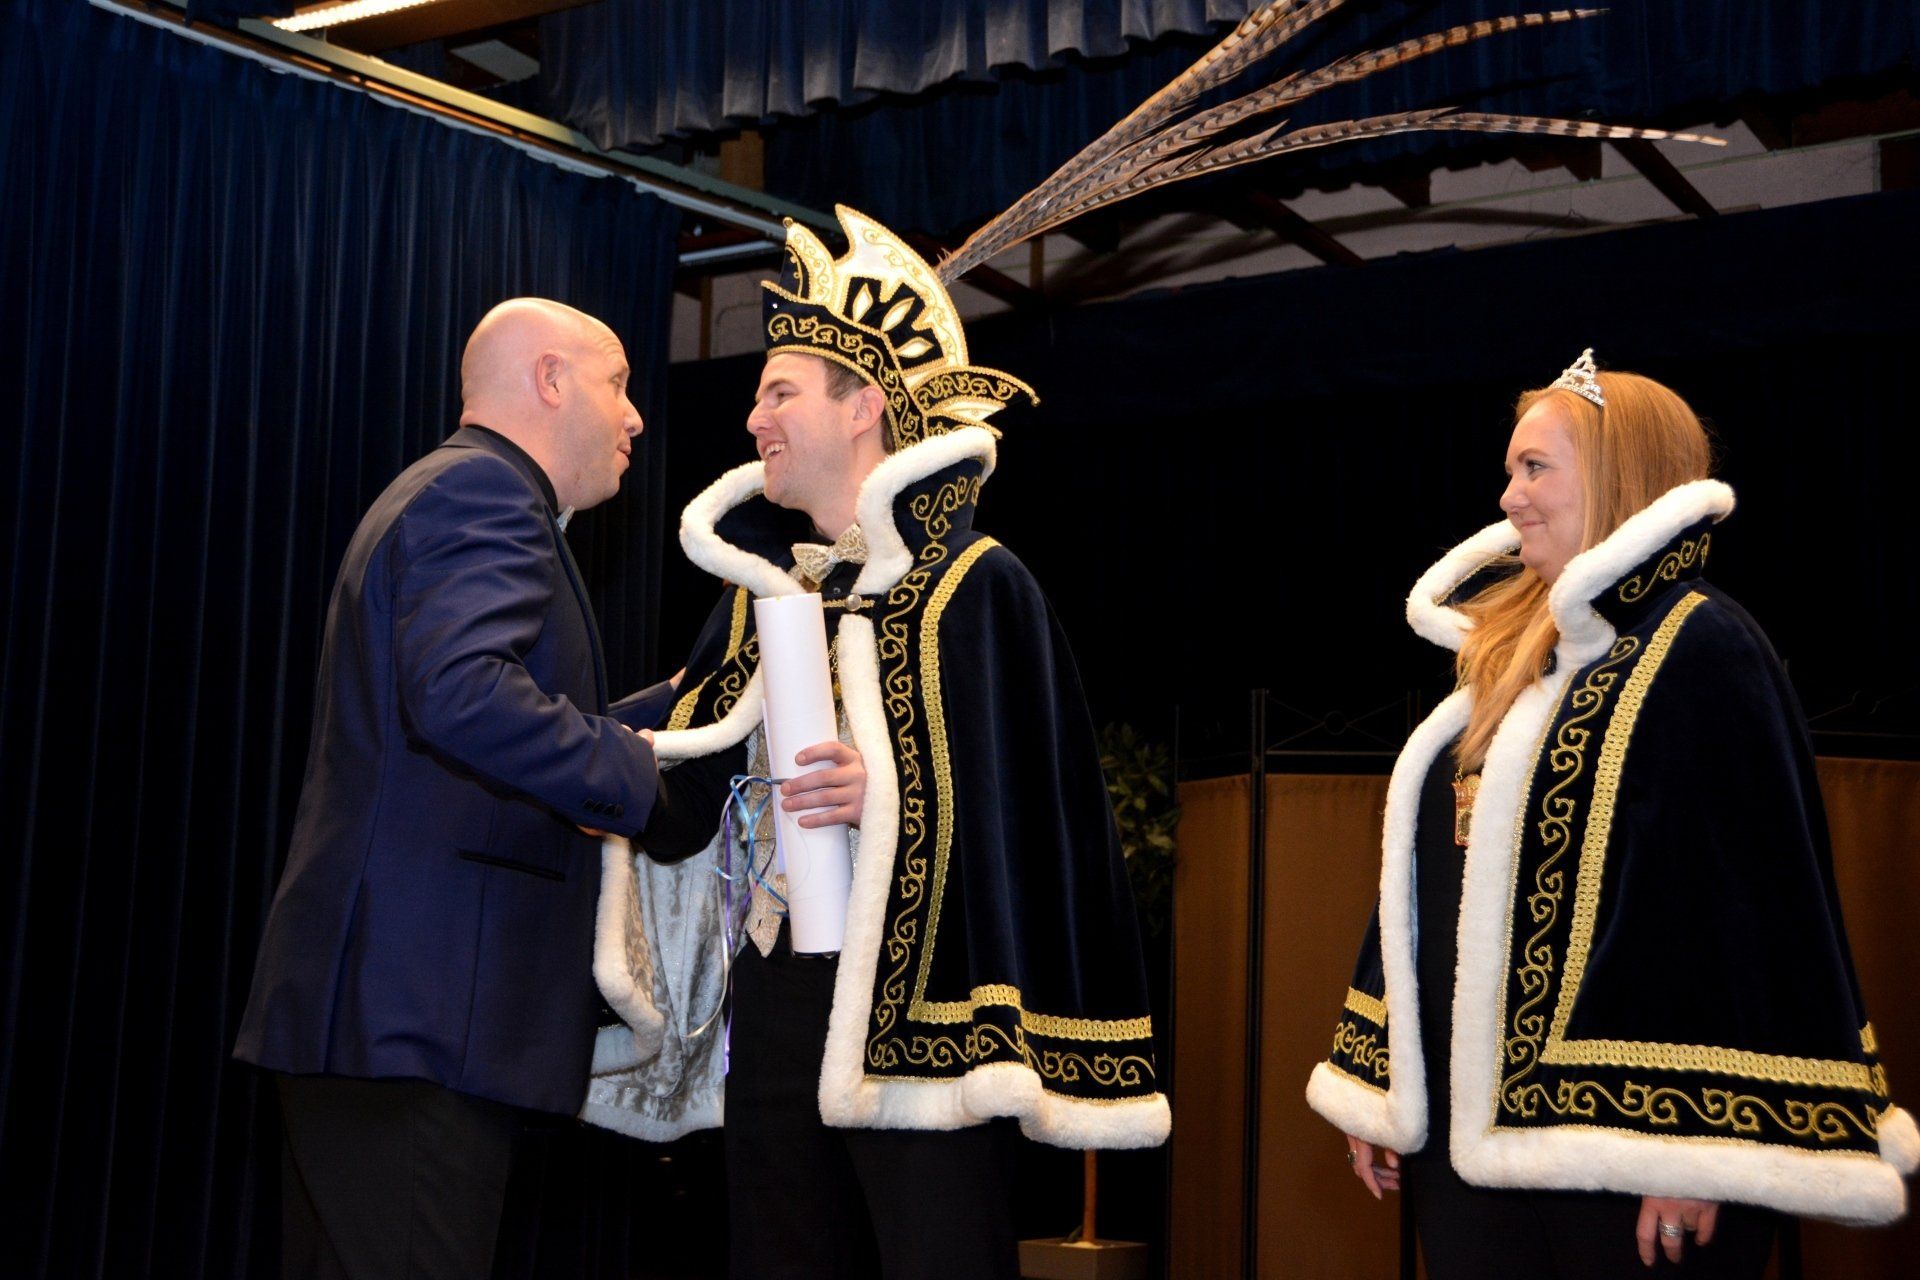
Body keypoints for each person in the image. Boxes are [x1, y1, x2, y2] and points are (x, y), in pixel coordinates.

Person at [584, 208, 1170, 1280]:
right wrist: (577, 767)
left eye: (780, 392)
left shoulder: (977, 586)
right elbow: (690, 785)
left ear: (862, 407)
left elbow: (1035, 813)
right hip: (778, 1000)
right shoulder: (760, 596)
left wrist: (890, 793)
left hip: (922, 1016)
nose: (753, 417)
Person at [1305, 351, 1918, 1277]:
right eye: (1510, 469)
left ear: (1618, 474)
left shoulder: (1704, 644)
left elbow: (1748, 911)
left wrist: (1693, 1149)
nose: (1509, 498)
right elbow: (1430, 886)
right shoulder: (1510, 661)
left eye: (1535, 468)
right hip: (1466, 1150)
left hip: (1635, 1154)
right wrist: (1380, 1081)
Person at [236, 298, 677, 1279]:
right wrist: (639, 776)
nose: (635, 415)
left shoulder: (447, 489)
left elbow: (464, 710)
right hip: (421, 1021)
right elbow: (462, 692)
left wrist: (680, 712)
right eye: (617, 382)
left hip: (382, 1019)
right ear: (550, 379)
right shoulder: (485, 492)